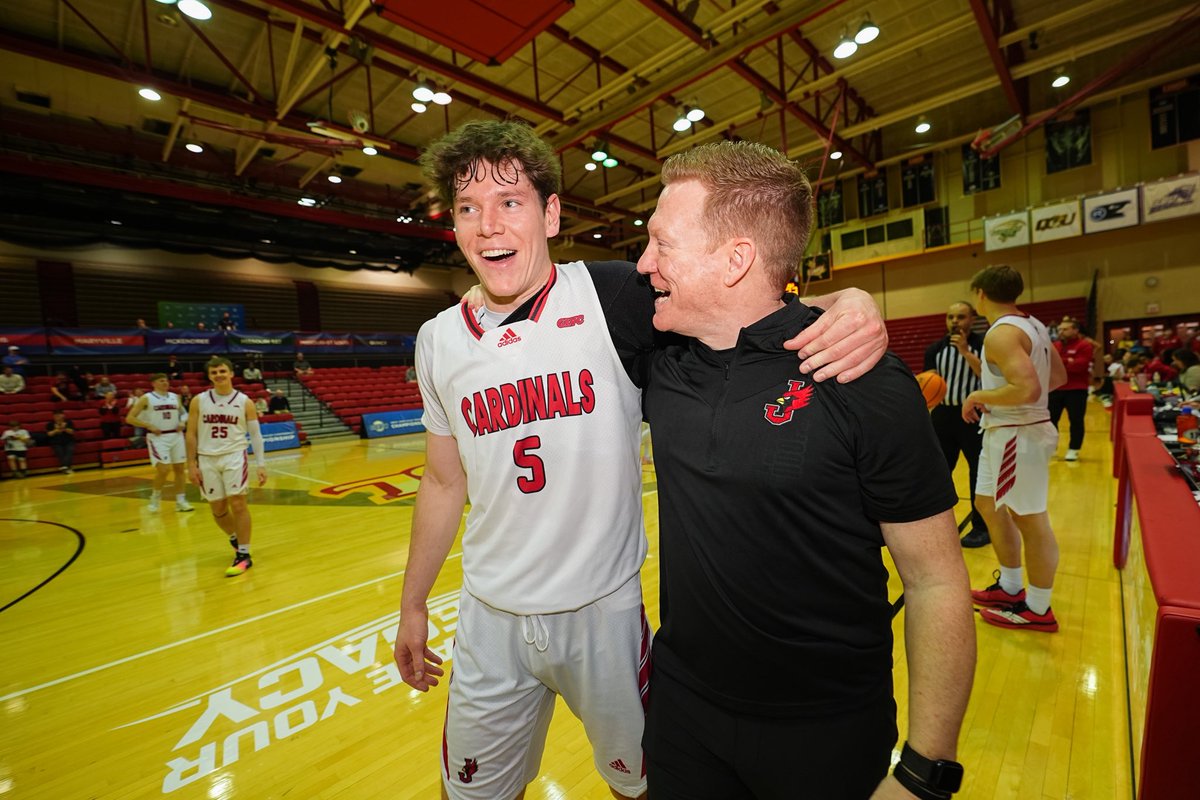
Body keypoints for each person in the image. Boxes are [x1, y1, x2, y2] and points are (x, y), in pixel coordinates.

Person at [395, 120, 888, 800]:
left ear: (550, 214)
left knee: (644, 787)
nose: (489, 226)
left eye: (510, 202)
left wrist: (849, 302)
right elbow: (443, 480)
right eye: (468, 208)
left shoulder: (614, 296)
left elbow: (745, 300)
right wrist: (413, 604)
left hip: (604, 614)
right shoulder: (437, 340)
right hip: (489, 615)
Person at [637, 140, 974, 800]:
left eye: (661, 244)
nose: (645, 262)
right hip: (683, 715)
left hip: (827, 729)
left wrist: (925, 771)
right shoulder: (658, 352)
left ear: (736, 259)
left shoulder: (862, 378)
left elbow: (935, 580)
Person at [963, 265, 1067, 633]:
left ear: (980, 294)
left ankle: (1038, 609)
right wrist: (1006, 400)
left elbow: (1028, 388)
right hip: (1006, 430)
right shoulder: (1033, 325)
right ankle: (1009, 587)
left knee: (1031, 521)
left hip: (1018, 436)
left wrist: (979, 395)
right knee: (987, 505)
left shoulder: (1001, 334)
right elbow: (1057, 377)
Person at [185, 356, 267, 577]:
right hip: (206, 458)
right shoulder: (199, 401)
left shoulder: (245, 401)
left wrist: (261, 464)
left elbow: (255, 435)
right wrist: (191, 464)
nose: (218, 375)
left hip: (234, 455)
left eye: (222, 371)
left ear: (231, 373)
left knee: (238, 504)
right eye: (214, 372)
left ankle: (244, 555)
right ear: (209, 376)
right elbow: (191, 434)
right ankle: (235, 538)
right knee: (218, 509)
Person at [924, 301, 989, 547]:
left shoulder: (984, 345)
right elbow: (930, 382)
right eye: (951, 317)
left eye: (960, 317)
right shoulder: (935, 348)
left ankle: (981, 527)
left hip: (973, 416)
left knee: (978, 473)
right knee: (938, 472)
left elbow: (987, 376)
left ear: (972, 319)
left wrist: (965, 352)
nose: (955, 321)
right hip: (943, 416)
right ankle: (935, 524)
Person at [127, 374, 194, 513]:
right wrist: (148, 425)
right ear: (153, 383)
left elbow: (184, 413)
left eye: (166, 380)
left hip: (176, 436)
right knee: (163, 470)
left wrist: (183, 421)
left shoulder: (175, 397)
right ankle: (155, 498)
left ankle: (181, 501)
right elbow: (130, 418)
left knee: (180, 469)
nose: (165, 382)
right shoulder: (146, 398)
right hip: (158, 438)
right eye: (161, 381)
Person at [1047, 319, 1093, 462]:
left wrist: (1062, 362)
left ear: (1075, 330)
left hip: (1076, 389)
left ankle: (1074, 449)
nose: (1061, 332)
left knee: (1076, 420)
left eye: (1065, 329)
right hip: (1055, 388)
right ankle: (1052, 448)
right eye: (1060, 329)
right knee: (1050, 421)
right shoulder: (1055, 345)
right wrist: (1069, 360)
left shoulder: (1084, 345)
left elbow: (1080, 366)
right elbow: (1049, 364)